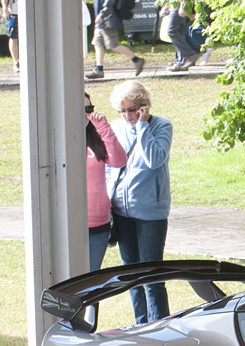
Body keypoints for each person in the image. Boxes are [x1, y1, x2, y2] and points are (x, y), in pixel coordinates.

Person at [106, 80, 172, 324]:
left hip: (150, 213)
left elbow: (154, 159)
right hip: (121, 212)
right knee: (131, 274)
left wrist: (142, 126)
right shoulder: (116, 127)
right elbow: (109, 166)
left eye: (133, 109)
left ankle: (159, 326)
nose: (127, 116)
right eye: (122, 111)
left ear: (145, 106)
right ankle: (140, 325)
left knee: (152, 275)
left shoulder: (161, 126)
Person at [84, 92, 127, 272]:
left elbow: (119, 160)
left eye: (88, 109)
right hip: (70, 223)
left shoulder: (96, 136)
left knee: (90, 284)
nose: (85, 114)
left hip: (98, 224)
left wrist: (103, 127)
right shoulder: (59, 140)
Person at [85, 0, 145, 80]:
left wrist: (101, 16)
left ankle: (137, 60)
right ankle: (99, 70)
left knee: (113, 45)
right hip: (102, 22)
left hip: (108, 20)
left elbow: (109, 4)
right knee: (98, 43)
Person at [163, 2, 201, 73]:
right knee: (180, 31)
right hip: (179, 4)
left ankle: (190, 54)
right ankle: (182, 61)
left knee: (172, 31)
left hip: (180, 4)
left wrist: (182, 5)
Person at [0, 0, 16, 73]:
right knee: (13, 37)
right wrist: (5, 8)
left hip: (28, 11)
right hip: (13, 12)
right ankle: (16, 62)